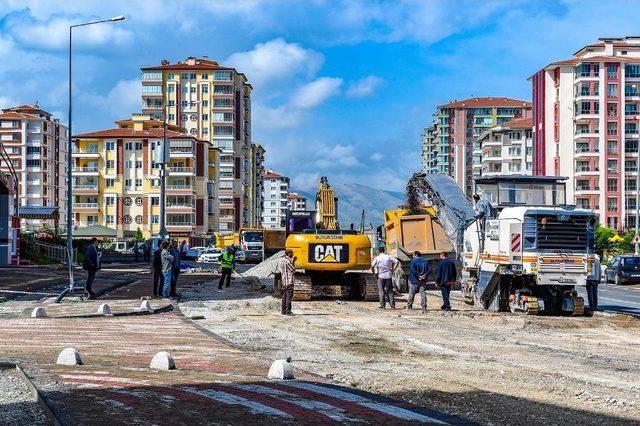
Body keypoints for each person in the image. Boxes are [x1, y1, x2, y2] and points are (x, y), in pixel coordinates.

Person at [278, 249, 297, 315]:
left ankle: (283, 311)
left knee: (284, 297)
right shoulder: (288, 262)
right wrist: (293, 261)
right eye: (291, 253)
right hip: (289, 282)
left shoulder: (282, 261)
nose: (292, 254)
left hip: (283, 281)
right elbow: (293, 270)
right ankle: (288, 311)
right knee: (289, 297)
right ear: (288, 254)